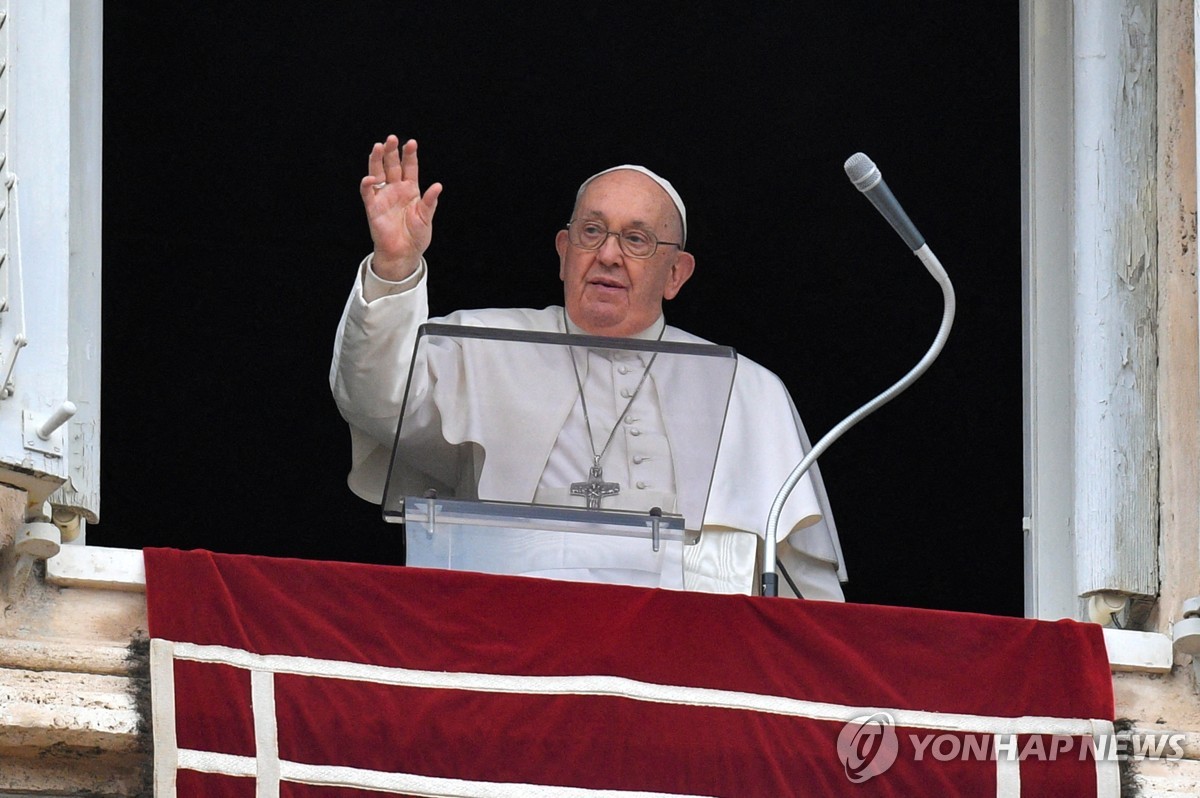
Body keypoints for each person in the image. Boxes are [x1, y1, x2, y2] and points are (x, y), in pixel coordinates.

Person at [330, 135, 846, 599]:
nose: (608, 255)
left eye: (637, 240)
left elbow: (803, 583)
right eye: (592, 232)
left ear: (675, 274)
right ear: (563, 252)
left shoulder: (747, 390)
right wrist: (394, 269)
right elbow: (376, 400)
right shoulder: (479, 345)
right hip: (511, 634)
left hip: (685, 650)